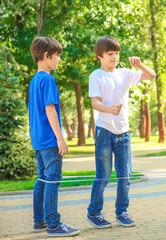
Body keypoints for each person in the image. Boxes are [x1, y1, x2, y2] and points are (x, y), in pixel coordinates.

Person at [87, 36, 156, 228]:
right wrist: (110, 109)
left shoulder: (124, 73)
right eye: (110, 54)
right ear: (100, 55)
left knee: (125, 175)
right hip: (104, 132)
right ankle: (94, 213)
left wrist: (141, 65)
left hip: (124, 133)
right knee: (103, 176)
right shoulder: (96, 76)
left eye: (117, 53)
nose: (115, 57)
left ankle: (122, 212)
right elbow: (95, 103)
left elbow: (152, 76)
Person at [28, 37, 80, 237]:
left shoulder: (35, 80)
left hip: (38, 140)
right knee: (52, 180)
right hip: (50, 140)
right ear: (45, 55)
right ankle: (53, 225)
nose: (59, 59)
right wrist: (60, 138)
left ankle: (39, 221)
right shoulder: (48, 80)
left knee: (41, 178)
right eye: (57, 56)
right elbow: (50, 110)